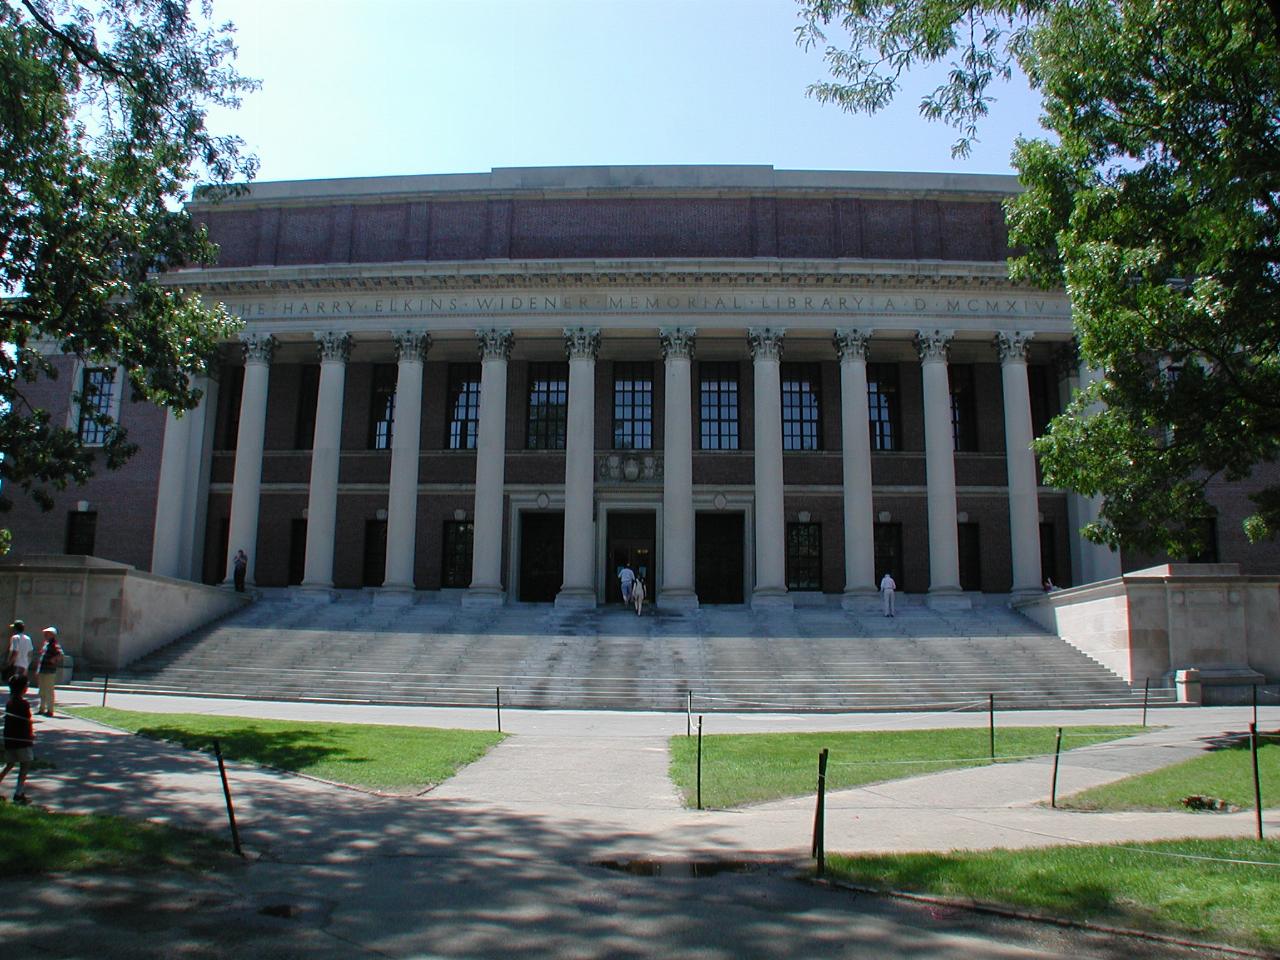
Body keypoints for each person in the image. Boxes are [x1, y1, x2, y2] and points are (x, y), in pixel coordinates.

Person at [0, 675, 34, 804]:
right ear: (23, 688)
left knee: (9, 764)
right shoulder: (24, 704)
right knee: (25, 765)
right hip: (23, 741)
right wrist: (30, 736)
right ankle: (19, 793)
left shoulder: (10, 703)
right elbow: (26, 722)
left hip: (11, 740)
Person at [35, 626, 63, 718]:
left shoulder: (54, 644)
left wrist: (53, 660)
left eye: (47, 633)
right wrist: (38, 669)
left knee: (49, 691)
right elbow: (41, 657)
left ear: (52, 635)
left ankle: (50, 710)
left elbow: (60, 654)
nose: (45, 635)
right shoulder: (46, 644)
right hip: (43, 670)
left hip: (49, 671)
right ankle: (41, 708)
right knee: (42, 690)